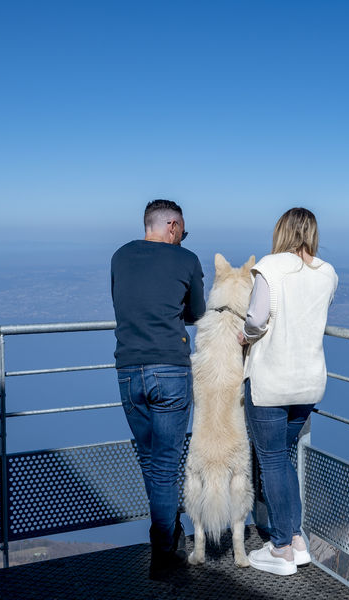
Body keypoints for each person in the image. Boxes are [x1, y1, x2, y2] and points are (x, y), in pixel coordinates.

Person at [238, 207, 338, 576]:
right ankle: (296, 541)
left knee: (272, 460)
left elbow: (257, 319)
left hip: (271, 381)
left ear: (282, 231)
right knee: (284, 456)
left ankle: (280, 549)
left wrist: (243, 336)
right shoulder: (328, 274)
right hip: (309, 383)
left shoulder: (270, 267)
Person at [111, 199, 206, 578]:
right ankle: (163, 552)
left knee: (150, 460)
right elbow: (196, 312)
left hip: (128, 370)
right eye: (183, 231)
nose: (183, 237)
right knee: (166, 466)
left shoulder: (120, 256)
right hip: (169, 369)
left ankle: (169, 534)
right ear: (172, 226)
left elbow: (124, 304)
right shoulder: (186, 259)